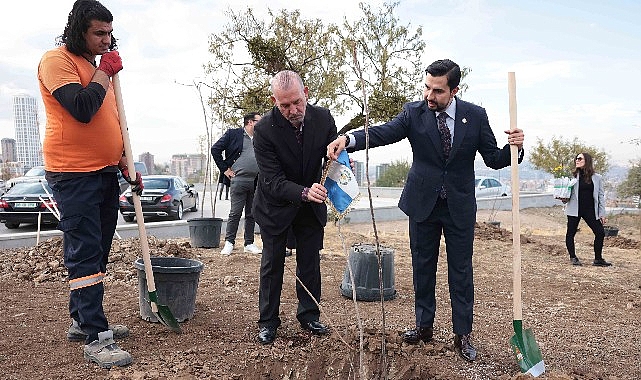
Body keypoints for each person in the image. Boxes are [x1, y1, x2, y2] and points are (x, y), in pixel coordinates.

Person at [327, 59, 524, 362]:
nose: (430, 96)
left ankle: (463, 335)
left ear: (455, 90)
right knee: (423, 268)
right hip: (422, 205)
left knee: (461, 272)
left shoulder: (476, 116)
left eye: (438, 91)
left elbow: (495, 159)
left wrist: (516, 147)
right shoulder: (413, 113)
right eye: (427, 87)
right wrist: (348, 139)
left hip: (458, 206)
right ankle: (423, 327)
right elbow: (382, 133)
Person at [37, 0, 143, 368]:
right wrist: (105, 73)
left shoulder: (97, 69)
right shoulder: (57, 61)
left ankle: (82, 321)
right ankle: (97, 337)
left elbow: (111, 123)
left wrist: (125, 162)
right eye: (99, 32)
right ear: (79, 30)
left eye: (110, 33)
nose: (107, 39)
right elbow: (82, 109)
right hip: (73, 172)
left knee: (97, 250)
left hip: (103, 171)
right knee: (84, 251)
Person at [252, 70, 336, 344]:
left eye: (297, 102)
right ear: (274, 100)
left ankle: (309, 315)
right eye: (284, 105)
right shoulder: (263, 130)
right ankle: (268, 321)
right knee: (272, 264)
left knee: (309, 262)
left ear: (306, 93)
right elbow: (272, 180)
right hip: (275, 206)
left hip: (311, 206)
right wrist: (303, 191)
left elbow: (332, 159)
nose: (293, 110)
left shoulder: (323, 119)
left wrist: (340, 168)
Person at [212, 113, 263, 255]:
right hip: (238, 180)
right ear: (250, 122)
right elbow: (215, 149)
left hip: (256, 180)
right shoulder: (233, 134)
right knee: (235, 212)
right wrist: (225, 169)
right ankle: (229, 242)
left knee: (252, 213)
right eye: (259, 121)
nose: (262, 123)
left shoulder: (261, 137)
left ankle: (249, 243)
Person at [564, 152, 610, 267]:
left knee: (600, 232)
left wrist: (602, 213)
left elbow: (600, 196)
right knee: (571, 233)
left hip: (590, 210)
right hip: (574, 209)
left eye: (579, 158)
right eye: (576, 158)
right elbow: (565, 194)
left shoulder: (597, 178)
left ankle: (598, 259)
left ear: (587, 161)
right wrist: (563, 198)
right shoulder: (572, 177)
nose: (577, 160)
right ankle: (573, 257)